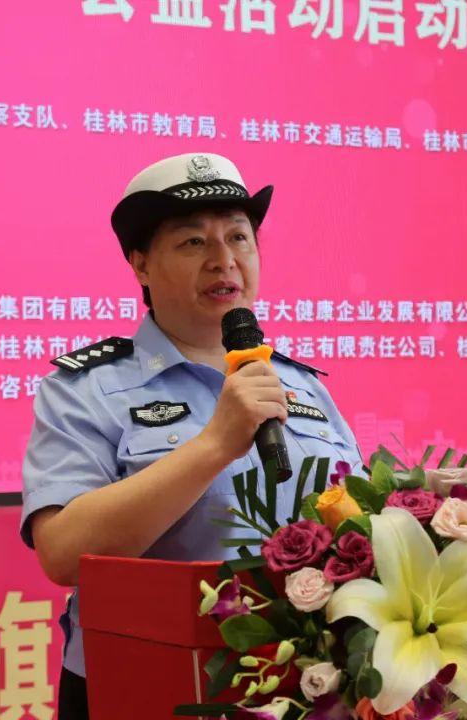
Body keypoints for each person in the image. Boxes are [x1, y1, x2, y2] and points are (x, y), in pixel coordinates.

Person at [19, 152, 362, 719]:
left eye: (239, 237)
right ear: (140, 265)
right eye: (194, 242)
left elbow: (356, 532)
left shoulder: (302, 386)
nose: (224, 260)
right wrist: (214, 445)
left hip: (303, 686)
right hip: (146, 690)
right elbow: (63, 554)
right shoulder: (85, 389)